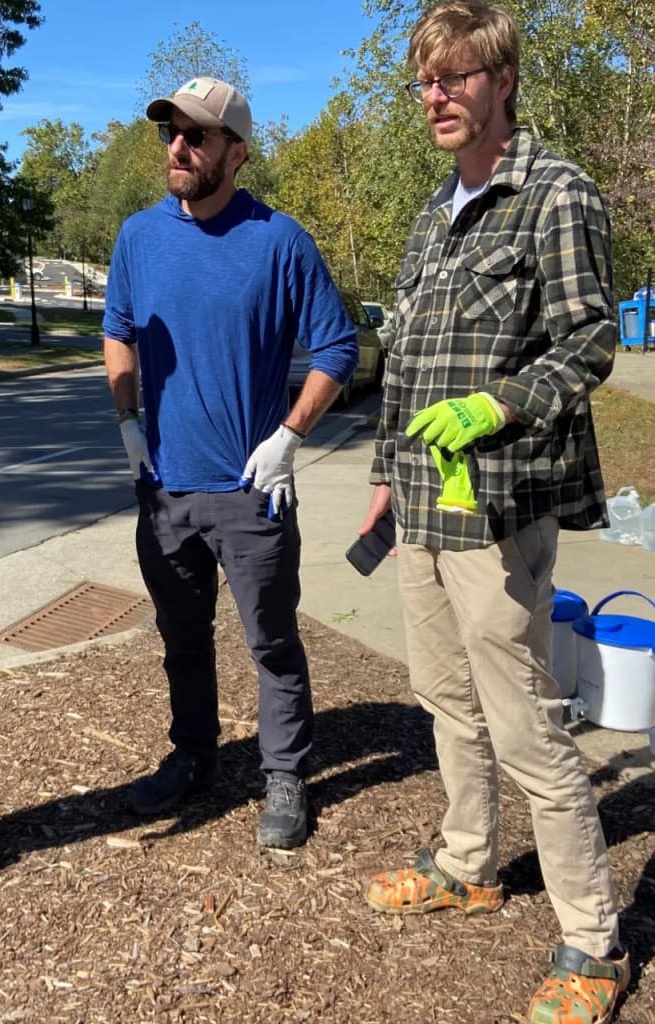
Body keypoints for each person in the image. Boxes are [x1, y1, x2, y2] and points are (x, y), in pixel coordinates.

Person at [358, 3, 628, 1021]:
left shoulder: (557, 194)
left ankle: (592, 942)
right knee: (444, 695)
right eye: (426, 79)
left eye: (456, 77)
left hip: (502, 506)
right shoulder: (436, 209)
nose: (436, 95)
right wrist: (386, 472)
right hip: (423, 506)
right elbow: (407, 362)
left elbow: (588, 344)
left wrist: (499, 403)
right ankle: (469, 862)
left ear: (502, 80)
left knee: (525, 724)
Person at [103, 77, 358, 850]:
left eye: (197, 136)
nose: (178, 148)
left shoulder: (280, 241)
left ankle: (284, 775)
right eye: (170, 134)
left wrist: (288, 437)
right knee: (181, 638)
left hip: (250, 494)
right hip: (164, 491)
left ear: (236, 152)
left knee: (272, 643)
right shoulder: (138, 238)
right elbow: (118, 329)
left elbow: (338, 347)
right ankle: (193, 755)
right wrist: (128, 424)